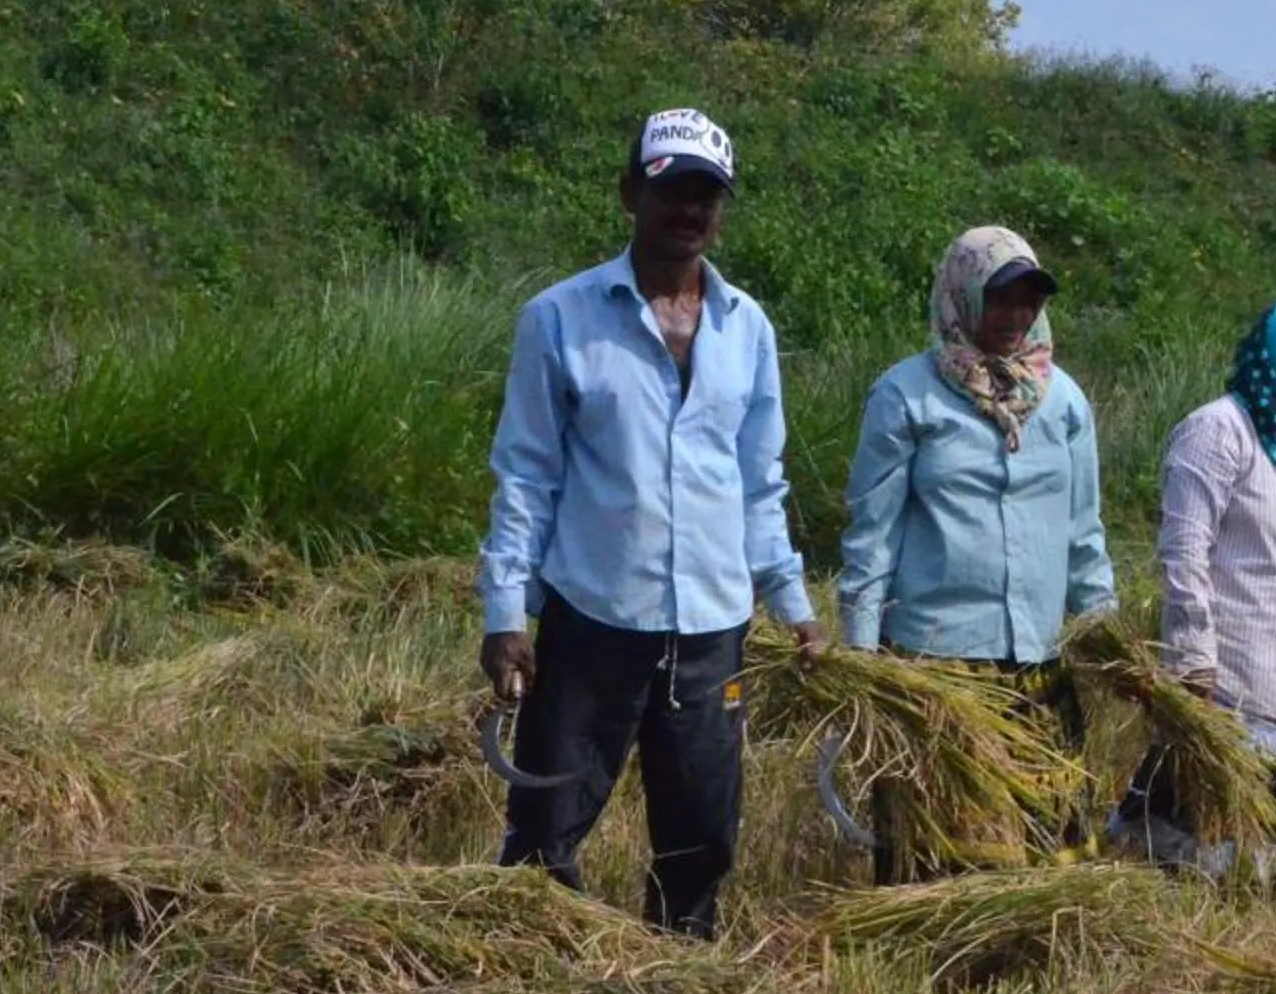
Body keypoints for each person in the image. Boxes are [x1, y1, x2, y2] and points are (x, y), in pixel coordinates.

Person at [477, 108, 827, 937]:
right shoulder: (561, 318)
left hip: (712, 627)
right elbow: (526, 472)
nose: (690, 212)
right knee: (546, 822)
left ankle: (679, 979)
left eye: (708, 195)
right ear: (632, 192)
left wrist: (794, 602)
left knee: (702, 833)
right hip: (595, 618)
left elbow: (757, 480)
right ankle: (536, 969)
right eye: (673, 191)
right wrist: (504, 611)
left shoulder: (748, 328)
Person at [838, 225, 1117, 880]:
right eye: (999, 299)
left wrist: (1105, 630)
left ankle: (1032, 972)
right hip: (941, 667)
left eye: (1029, 300)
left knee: (1044, 861)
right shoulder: (906, 395)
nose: (1016, 316)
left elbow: (1084, 532)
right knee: (951, 862)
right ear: (961, 297)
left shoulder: (1064, 401)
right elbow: (871, 535)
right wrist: (860, 654)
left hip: (1036, 663)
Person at [1115, 300, 1276, 889]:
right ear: (1271, 357)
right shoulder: (1217, 431)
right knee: (1208, 855)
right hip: (1234, 670)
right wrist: (1192, 657)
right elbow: (1184, 552)